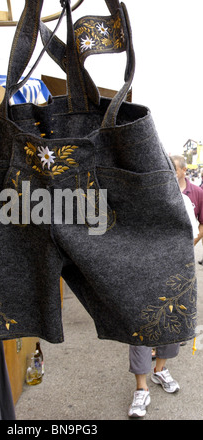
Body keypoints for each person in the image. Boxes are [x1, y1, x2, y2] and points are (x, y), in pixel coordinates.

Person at [128, 156, 199, 418]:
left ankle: (160, 370)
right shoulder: (135, 198)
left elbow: (191, 234)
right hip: (142, 274)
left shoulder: (182, 200)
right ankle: (141, 388)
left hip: (174, 273)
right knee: (141, 328)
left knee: (171, 322)